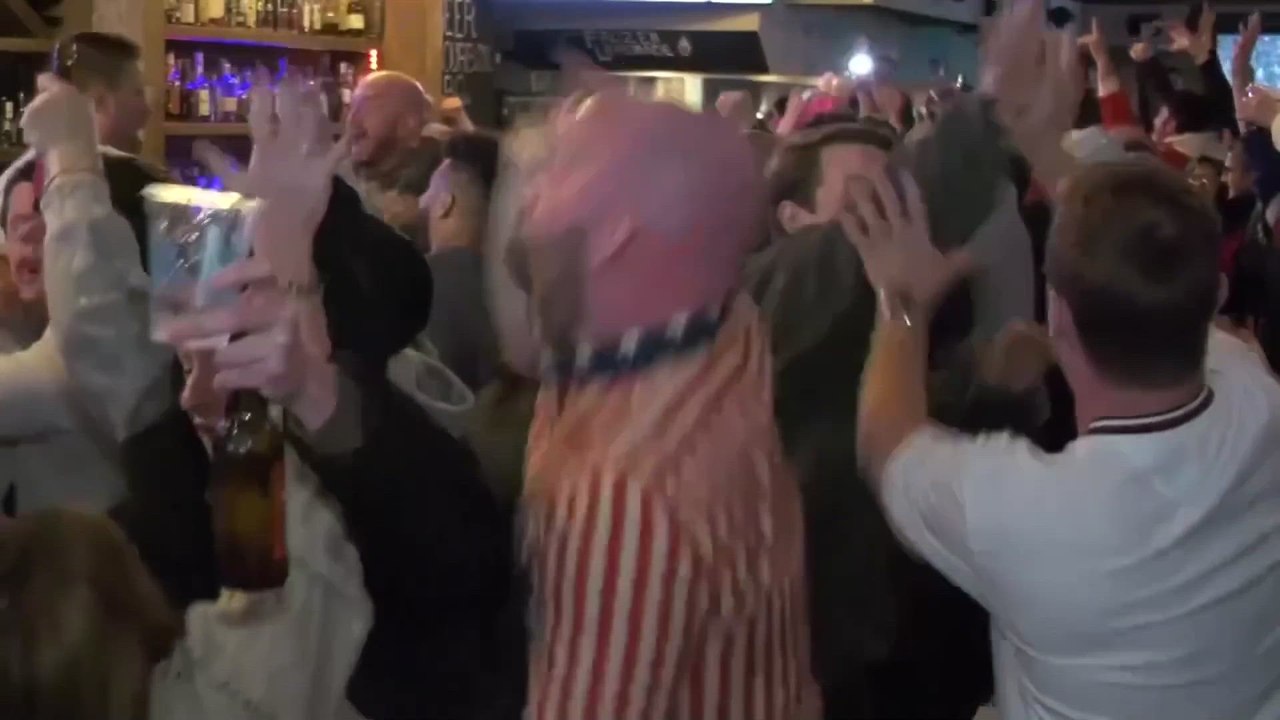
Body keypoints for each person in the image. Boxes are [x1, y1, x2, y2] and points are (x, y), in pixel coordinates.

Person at [851, 9, 1280, 716]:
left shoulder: (1025, 511)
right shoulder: (1255, 399)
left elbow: (883, 443)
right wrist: (1045, 148)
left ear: (1059, 318)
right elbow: (1145, 259)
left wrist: (900, 303)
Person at [514, 85, 820, 720]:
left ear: (615, 238)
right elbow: (536, 292)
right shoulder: (731, 330)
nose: (532, 198)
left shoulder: (622, 499)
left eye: (561, 171)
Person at [416, 128, 501, 390]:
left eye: (429, 189)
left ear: (445, 204)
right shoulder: (516, 297)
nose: (422, 201)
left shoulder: (412, 285)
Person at [345, 70, 442, 238]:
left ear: (409, 123)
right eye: (352, 107)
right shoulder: (330, 183)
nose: (352, 119)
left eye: (367, 105)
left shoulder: (444, 185)